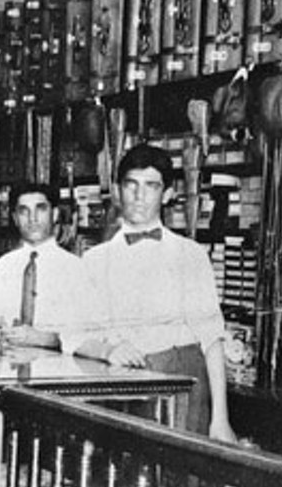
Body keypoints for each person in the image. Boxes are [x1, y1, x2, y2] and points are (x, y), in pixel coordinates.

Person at [80, 144, 236, 443]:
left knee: (179, 482)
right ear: (117, 190)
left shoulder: (189, 254)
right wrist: (108, 350)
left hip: (180, 381)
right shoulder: (94, 260)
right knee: (121, 482)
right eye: (131, 185)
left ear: (166, 194)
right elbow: (75, 337)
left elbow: (211, 339)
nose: (139, 196)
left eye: (151, 186)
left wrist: (220, 419)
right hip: (115, 381)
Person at [0, 181, 99, 354]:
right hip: (8, 368)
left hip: (54, 371)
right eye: (24, 211)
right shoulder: (4, 265)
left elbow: (91, 332)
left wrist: (46, 339)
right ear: (15, 218)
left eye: (41, 209)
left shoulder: (74, 267)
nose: (32, 218)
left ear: (54, 215)